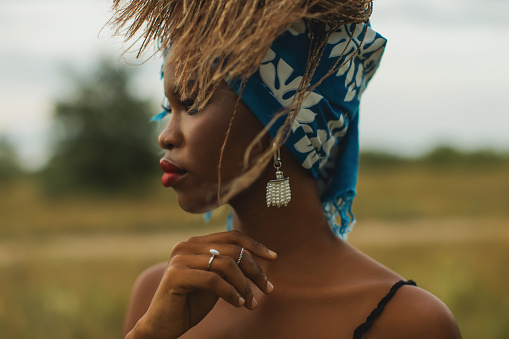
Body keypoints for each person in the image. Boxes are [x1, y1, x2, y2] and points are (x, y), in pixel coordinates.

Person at [111, 1, 462, 338]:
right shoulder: (161, 296)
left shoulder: (408, 324)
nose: (165, 135)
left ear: (281, 120)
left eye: (191, 102)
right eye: (167, 107)